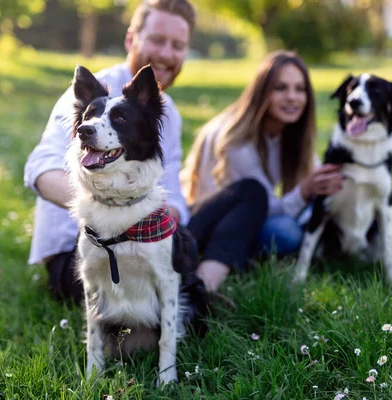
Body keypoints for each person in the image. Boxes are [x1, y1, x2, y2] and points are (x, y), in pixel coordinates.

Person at [24, 0, 267, 301]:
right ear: (131, 39)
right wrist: (113, 212)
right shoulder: (93, 97)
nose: (166, 54)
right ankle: (182, 292)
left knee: (250, 192)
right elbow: (40, 170)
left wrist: (161, 228)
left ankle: (202, 285)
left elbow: (172, 193)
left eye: (178, 45)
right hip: (80, 253)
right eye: (156, 40)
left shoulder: (167, 112)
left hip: (149, 237)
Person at [182, 50, 344, 258]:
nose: (292, 97)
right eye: (281, 88)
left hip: (252, 216)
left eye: (300, 89)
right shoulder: (236, 141)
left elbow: (315, 178)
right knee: (286, 232)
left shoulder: (289, 132)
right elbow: (263, 207)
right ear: (261, 93)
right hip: (214, 226)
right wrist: (305, 190)